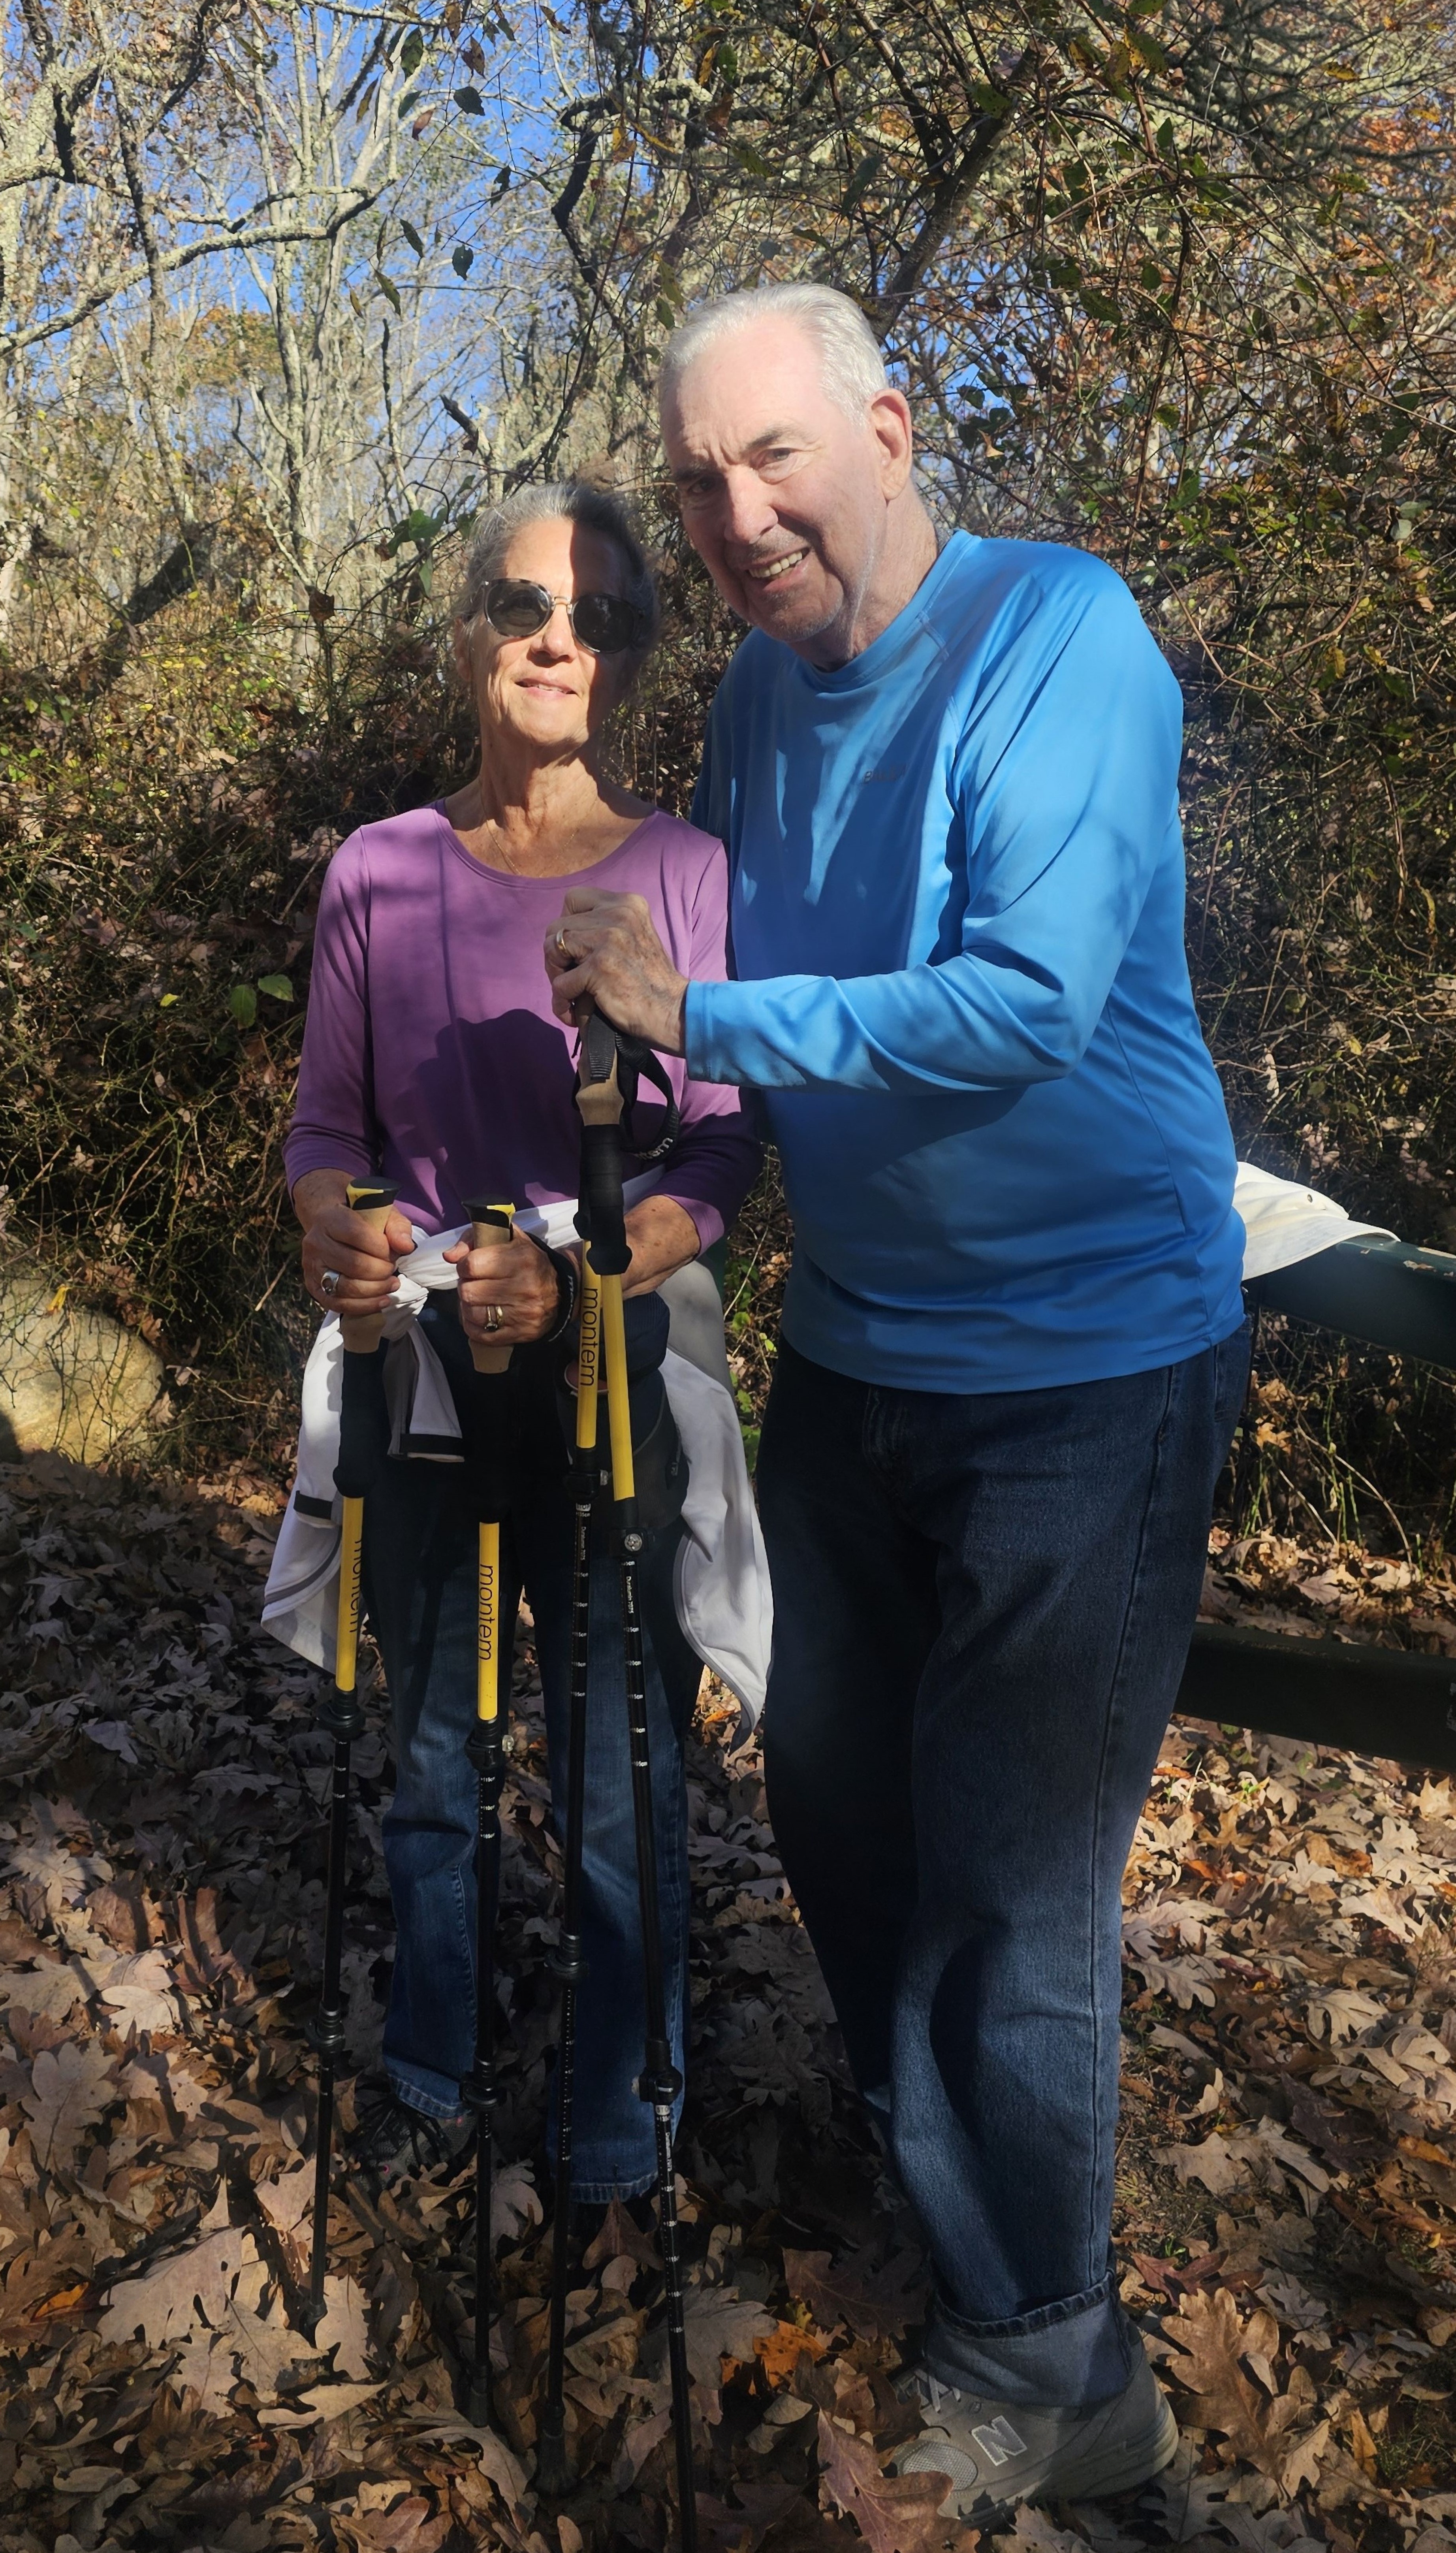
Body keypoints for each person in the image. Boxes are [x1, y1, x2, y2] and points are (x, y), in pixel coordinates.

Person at [542, 284, 1249, 2517]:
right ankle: (950, 2191)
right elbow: (719, 1010)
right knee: (842, 1817)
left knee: (1010, 1897)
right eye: (693, 481)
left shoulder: (1062, 638)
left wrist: (709, 1011)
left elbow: (1030, 1002)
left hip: (1085, 1375)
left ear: (886, 423)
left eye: (771, 460)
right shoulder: (758, 696)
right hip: (856, 1354)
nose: (734, 517)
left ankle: (1056, 2362)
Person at [284, 480, 760, 2199]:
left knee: (620, 1750)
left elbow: (714, 1147)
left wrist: (585, 1282)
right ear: (468, 624)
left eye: (603, 615)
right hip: (420, 1363)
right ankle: (429, 2068)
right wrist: (340, 1228)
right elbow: (322, 1133)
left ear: (631, 659)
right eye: (524, 601)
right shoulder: (377, 872)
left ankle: (626, 2111)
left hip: (605, 1373)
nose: (560, 637)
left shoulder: (682, 872)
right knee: (427, 1750)